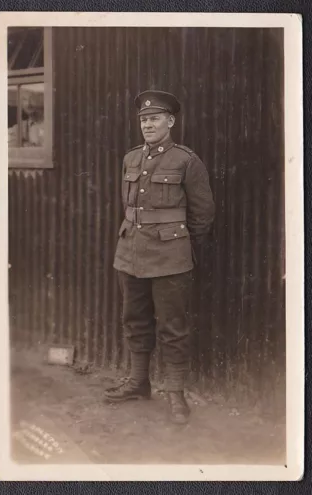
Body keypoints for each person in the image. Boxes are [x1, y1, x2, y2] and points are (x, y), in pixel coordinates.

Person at [105, 90, 215, 424]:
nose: (148, 124)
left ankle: (175, 392)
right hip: (130, 252)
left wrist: (181, 247)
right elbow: (129, 207)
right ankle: (139, 383)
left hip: (170, 255)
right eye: (144, 119)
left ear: (170, 122)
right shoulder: (131, 158)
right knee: (134, 319)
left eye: (155, 119)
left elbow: (203, 214)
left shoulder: (186, 160)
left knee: (173, 327)